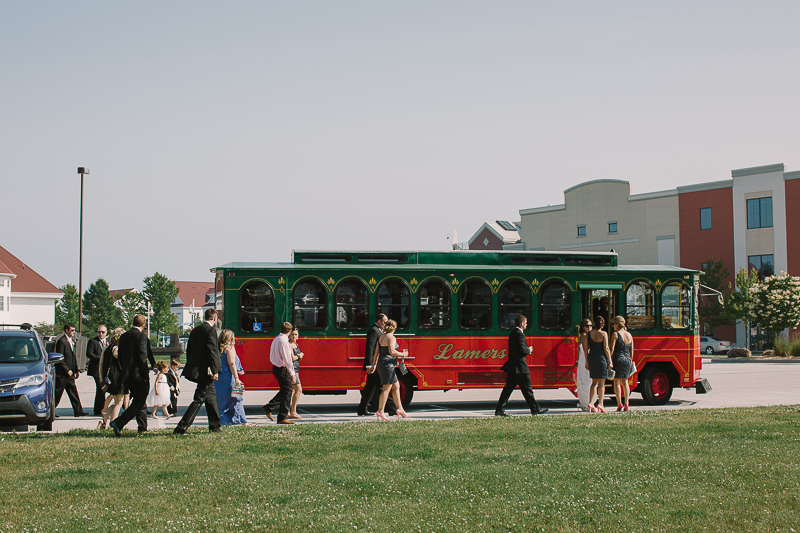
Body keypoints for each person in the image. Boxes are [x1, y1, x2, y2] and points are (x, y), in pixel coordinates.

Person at [174, 308, 223, 434]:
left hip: (196, 368)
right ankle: (182, 427)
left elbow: (189, 349)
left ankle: (215, 426)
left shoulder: (196, 330)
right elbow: (212, 351)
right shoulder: (211, 330)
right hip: (205, 370)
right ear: (215, 318)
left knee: (211, 398)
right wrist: (215, 369)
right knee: (199, 398)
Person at [495, 315, 548, 417]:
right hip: (520, 367)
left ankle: (499, 410)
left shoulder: (512, 333)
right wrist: (529, 350)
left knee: (508, 389)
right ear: (522, 324)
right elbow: (522, 350)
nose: (527, 324)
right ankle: (535, 409)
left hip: (513, 366)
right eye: (526, 323)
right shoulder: (519, 334)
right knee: (527, 389)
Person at [110, 315, 152, 436]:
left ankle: (142, 426)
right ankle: (119, 422)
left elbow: (121, 356)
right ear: (143, 325)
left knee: (140, 400)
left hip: (127, 374)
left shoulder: (124, 336)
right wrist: (145, 375)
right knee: (139, 401)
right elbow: (142, 357)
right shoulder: (141, 336)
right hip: (138, 375)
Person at [368, 319, 409, 420]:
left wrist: (373, 365)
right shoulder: (392, 337)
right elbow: (392, 351)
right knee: (386, 389)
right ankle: (380, 411)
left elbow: (376, 352)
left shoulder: (381, 337)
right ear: (394, 328)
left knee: (396, 386)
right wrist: (403, 354)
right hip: (388, 365)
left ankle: (400, 408)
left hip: (382, 364)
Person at [261, 322, 296, 424]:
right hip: (283, 369)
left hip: (276, 367)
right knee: (288, 392)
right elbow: (287, 359)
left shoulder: (276, 339)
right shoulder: (284, 342)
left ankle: (270, 407)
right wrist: (292, 373)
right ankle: (282, 417)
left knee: (285, 390)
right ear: (290, 331)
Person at [214, 329, 249, 426]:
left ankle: (223, 420)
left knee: (222, 400)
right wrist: (237, 378)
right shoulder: (229, 348)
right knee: (237, 398)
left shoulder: (218, 349)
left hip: (220, 378)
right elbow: (232, 363)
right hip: (229, 377)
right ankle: (241, 420)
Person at [54, 323, 88, 417]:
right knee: (57, 394)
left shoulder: (70, 340)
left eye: (74, 330)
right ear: (66, 330)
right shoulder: (61, 341)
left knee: (73, 393)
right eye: (72, 330)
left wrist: (76, 370)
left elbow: (73, 357)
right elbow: (59, 358)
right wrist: (67, 370)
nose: (74, 332)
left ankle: (78, 411)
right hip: (63, 374)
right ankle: (50, 411)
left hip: (70, 374)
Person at [357, 313, 387, 416]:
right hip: (374, 364)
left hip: (375, 363)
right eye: (384, 322)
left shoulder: (378, 330)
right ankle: (392, 408)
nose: (385, 324)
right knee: (380, 386)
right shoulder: (374, 330)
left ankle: (362, 409)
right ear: (379, 321)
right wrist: (369, 365)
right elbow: (370, 348)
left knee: (370, 388)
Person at [584, 314, 613, 413]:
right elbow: (606, 348)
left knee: (593, 383)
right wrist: (610, 361)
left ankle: (591, 403)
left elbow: (586, 349)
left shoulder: (589, 334)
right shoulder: (604, 334)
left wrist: (587, 361)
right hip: (601, 359)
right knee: (601, 384)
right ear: (603, 325)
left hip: (592, 358)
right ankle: (601, 404)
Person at [98, 328, 126, 430]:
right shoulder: (117, 349)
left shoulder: (107, 348)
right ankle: (113, 424)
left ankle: (103, 421)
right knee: (119, 403)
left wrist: (101, 378)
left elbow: (101, 364)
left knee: (116, 401)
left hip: (109, 379)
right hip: (117, 379)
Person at [609, 316, 634, 411]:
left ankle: (619, 404)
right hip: (627, 359)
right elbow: (631, 349)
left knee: (617, 382)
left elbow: (612, 349)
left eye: (613, 324)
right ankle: (627, 403)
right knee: (625, 382)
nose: (613, 326)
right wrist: (630, 360)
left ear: (618, 324)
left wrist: (609, 360)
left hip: (618, 359)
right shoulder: (629, 335)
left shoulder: (615, 334)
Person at [86, 324, 109, 416]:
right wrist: (100, 358)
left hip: (105, 369)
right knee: (101, 388)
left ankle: (99, 408)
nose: (101, 334)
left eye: (103, 332)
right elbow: (89, 353)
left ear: (106, 333)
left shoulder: (108, 342)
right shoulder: (93, 341)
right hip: (96, 369)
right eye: (99, 332)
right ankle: (100, 409)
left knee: (102, 389)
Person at [576, 319, 593, 411]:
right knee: (588, 381)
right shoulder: (586, 336)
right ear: (583, 327)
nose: (589, 327)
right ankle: (587, 403)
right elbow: (587, 350)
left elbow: (578, 348)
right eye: (587, 326)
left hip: (582, 359)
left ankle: (584, 402)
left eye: (590, 325)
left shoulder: (581, 336)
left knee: (582, 380)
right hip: (587, 359)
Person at [289, 328, 304, 420]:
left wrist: (300, 357)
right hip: (292, 370)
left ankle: (288, 412)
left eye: (296, 334)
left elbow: (298, 359)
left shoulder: (296, 344)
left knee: (291, 391)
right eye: (292, 334)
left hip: (296, 368)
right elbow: (292, 358)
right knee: (298, 390)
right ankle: (293, 412)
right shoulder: (289, 345)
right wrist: (300, 355)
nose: (294, 336)